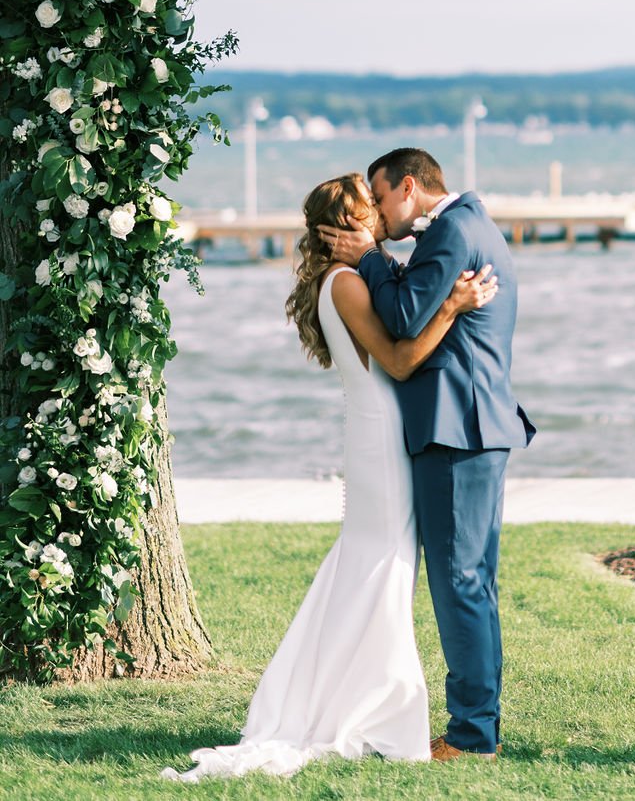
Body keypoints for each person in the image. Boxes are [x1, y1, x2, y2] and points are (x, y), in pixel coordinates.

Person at [161, 173, 497, 782]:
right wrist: (450, 306)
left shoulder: (345, 279)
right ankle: (374, 708)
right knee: (382, 565)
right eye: (372, 211)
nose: (384, 223)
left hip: (377, 431)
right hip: (380, 440)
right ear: (350, 226)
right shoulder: (345, 283)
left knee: (373, 564)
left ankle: (351, 696)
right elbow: (397, 359)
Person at [319, 147, 535, 762]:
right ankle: (479, 725)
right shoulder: (470, 224)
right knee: (474, 582)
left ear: (407, 186)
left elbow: (406, 316)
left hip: (455, 428)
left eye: (381, 199)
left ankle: (471, 736)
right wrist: (383, 261)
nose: (379, 214)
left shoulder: (450, 231)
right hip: (475, 427)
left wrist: (366, 258)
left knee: (460, 582)